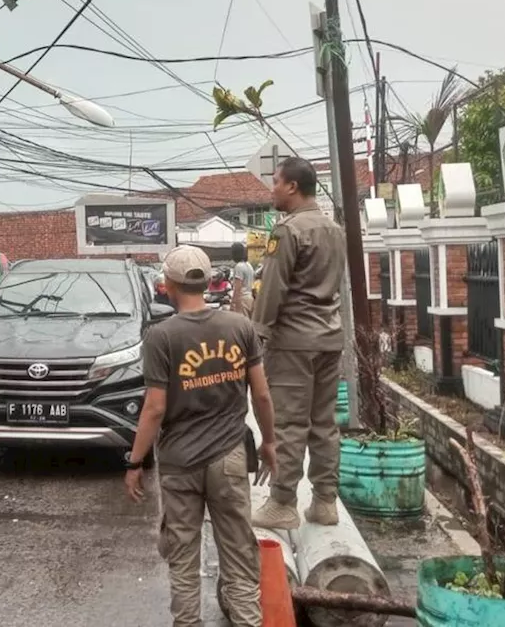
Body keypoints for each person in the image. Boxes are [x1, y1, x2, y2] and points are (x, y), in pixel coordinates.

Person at [123, 245, 277, 627]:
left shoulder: (161, 337)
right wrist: (270, 442)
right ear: (208, 281)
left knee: (184, 561)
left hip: (179, 464)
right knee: (240, 560)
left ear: (169, 286)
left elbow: (155, 408)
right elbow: (261, 393)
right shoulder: (239, 327)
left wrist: (135, 461)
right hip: (229, 457)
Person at [250, 157, 348, 531]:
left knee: (289, 422)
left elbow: (272, 289)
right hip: (329, 337)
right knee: (324, 422)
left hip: (293, 341)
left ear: (292, 186)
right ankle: (325, 500)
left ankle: (282, 502)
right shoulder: (334, 229)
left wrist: (256, 335)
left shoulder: (287, 231)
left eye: (275, 182)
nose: (271, 189)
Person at [230, 242, 255, 318]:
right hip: (250, 298)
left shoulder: (239, 267)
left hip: (242, 299)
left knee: (242, 324)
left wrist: (233, 303)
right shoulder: (249, 265)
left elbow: (238, 288)